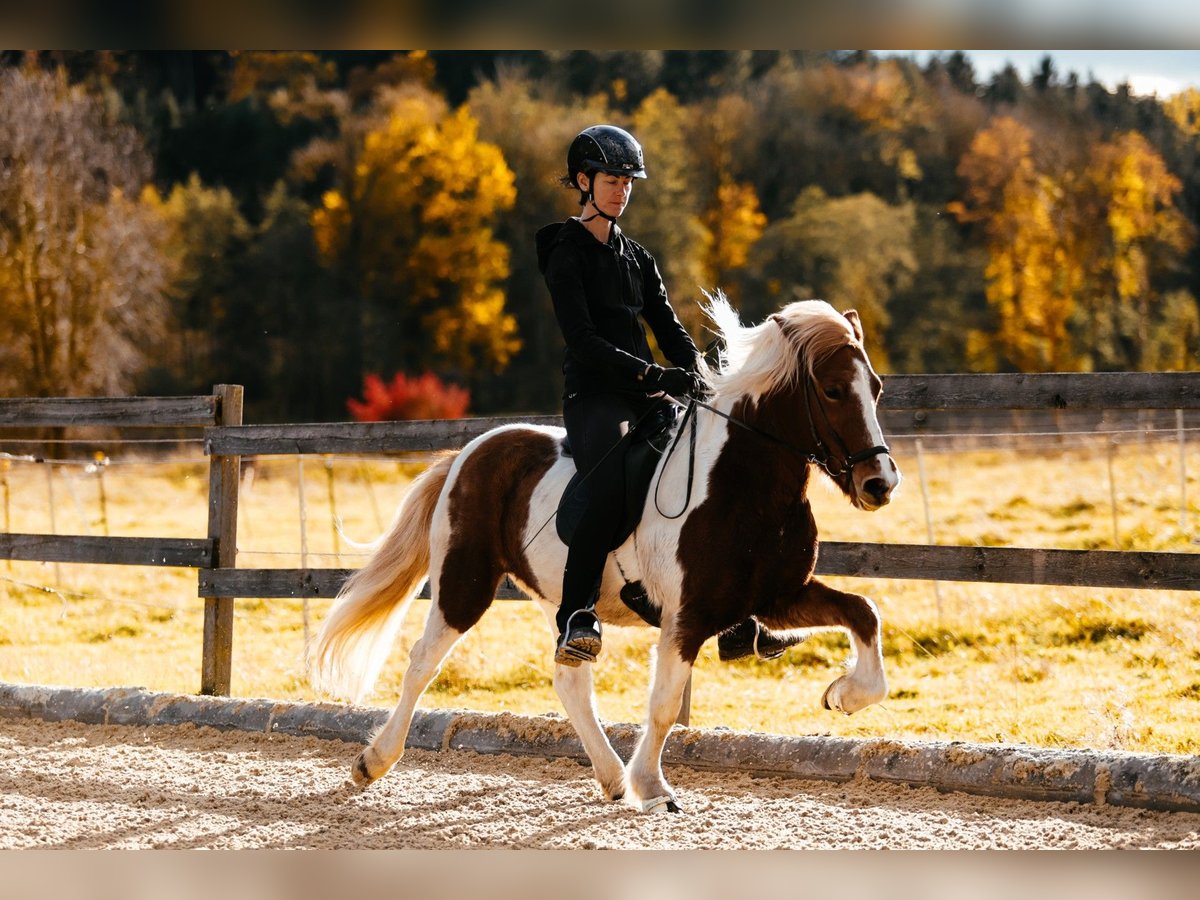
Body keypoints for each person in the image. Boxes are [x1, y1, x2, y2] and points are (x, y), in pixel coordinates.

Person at [535, 124, 799, 667]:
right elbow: (584, 342)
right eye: (612, 180)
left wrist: (700, 375)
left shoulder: (638, 257)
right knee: (607, 486)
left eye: (629, 182)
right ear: (584, 181)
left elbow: (670, 327)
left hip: (648, 394)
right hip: (595, 396)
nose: (622, 190)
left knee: (704, 473)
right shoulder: (566, 253)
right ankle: (576, 617)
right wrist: (653, 376)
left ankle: (733, 621)